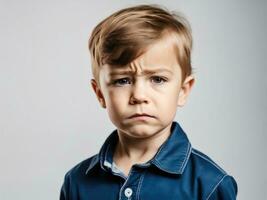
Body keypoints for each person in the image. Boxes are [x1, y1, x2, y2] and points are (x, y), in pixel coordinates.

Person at [60, 4, 238, 200]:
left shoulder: (209, 185)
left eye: (157, 79)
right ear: (100, 94)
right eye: (123, 81)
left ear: (183, 90)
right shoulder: (76, 182)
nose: (139, 95)